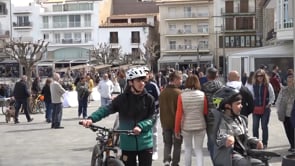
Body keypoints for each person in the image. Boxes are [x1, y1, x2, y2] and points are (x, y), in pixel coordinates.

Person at [81, 67, 156, 166]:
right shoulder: (122, 99)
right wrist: (91, 119)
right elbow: (106, 109)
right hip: (128, 145)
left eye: (143, 80)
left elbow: (152, 118)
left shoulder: (149, 99)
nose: (142, 83)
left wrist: (140, 126)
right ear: (130, 82)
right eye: (138, 80)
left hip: (145, 143)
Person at [212, 86, 264, 166]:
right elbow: (218, 137)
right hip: (229, 157)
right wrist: (226, 139)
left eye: (241, 103)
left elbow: (245, 137)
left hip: (243, 153)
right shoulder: (220, 122)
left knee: (262, 161)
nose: (241, 106)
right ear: (227, 106)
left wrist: (255, 142)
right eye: (238, 104)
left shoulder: (241, 120)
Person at [174, 75, 208, 166]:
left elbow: (179, 114)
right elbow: (205, 111)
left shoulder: (181, 96)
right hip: (200, 125)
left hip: (186, 126)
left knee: (188, 148)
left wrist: (177, 129)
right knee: (199, 149)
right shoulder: (202, 95)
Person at [159, 71, 183, 166]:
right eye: (180, 79)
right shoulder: (179, 93)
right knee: (177, 144)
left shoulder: (163, 93)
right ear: (175, 79)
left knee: (167, 143)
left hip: (165, 122)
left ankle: (166, 161)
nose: (181, 81)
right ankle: (175, 163)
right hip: (176, 123)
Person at [201, 67, 223, 161]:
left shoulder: (204, 87)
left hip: (208, 116)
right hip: (219, 115)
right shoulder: (221, 86)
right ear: (216, 75)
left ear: (207, 76)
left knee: (210, 138)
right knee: (220, 137)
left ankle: (213, 157)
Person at [249, 69, 275, 149]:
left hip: (265, 109)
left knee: (264, 126)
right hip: (256, 109)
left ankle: (264, 143)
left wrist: (270, 104)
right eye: (258, 76)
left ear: (264, 76)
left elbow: (272, 95)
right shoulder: (253, 85)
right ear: (255, 77)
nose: (259, 77)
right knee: (255, 127)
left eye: (261, 76)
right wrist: (252, 105)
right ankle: (256, 143)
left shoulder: (268, 85)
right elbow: (251, 96)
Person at [142, 66, 161, 161]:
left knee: (154, 132)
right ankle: (142, 152)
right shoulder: (138, 84)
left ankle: (155, 151)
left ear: (149, 75)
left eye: (146, 73)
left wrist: (154, 109)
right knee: (141, 133)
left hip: (153, 114)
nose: (145, 75)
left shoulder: (153, 85)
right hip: (141, 115)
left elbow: (159, 99)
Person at [276, 73, 295, 152]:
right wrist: (279, 110)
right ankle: (292, 145)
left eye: (291, 81)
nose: (290, 83)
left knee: (293, 130)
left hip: (293, 114)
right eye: (288, 81)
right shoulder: (284, 90)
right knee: (288, 131)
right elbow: (278, 101)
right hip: (285, 114)